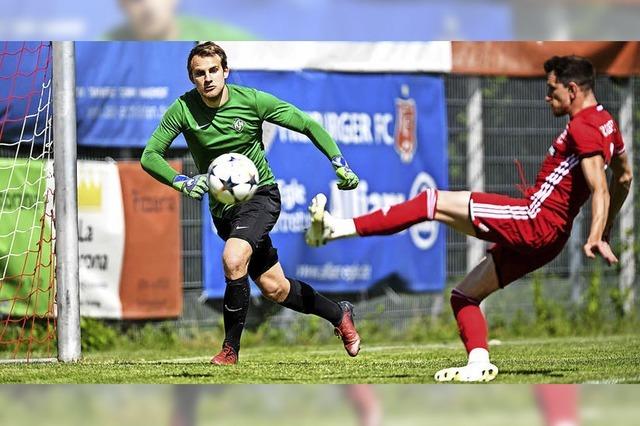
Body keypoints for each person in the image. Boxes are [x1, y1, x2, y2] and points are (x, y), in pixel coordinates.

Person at [305, 55, 633, 382]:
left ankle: (337, 229)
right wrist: (605, 229)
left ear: (573, 89)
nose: (547, 97)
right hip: (551, 238)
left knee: (431, 201)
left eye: (552, 90)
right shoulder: (607, 124)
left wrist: (595, 234)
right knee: (464, 295)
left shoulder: (583, 126)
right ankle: (478, 364)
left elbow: (600, 186)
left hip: (534, 219)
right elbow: (624, 178)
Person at [141, 42, 361, 365]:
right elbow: (150, 156)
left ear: (226, 71)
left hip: (262, 196)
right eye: (199, 74)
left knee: (233, 257)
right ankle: (339, 314)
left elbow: (306, 123)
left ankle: (230, 350)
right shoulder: (183, 109)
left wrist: (339, 162)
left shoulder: (252, 101)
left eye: (214, 70)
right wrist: (183, 181)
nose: (208, 79)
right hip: (224, 212)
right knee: (276, 287)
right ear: (192, 79)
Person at [107, 0, 254, 40]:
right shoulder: (103, 46)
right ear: (122, 5)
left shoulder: (226, 38)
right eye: (136, 0)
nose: (149, 7)